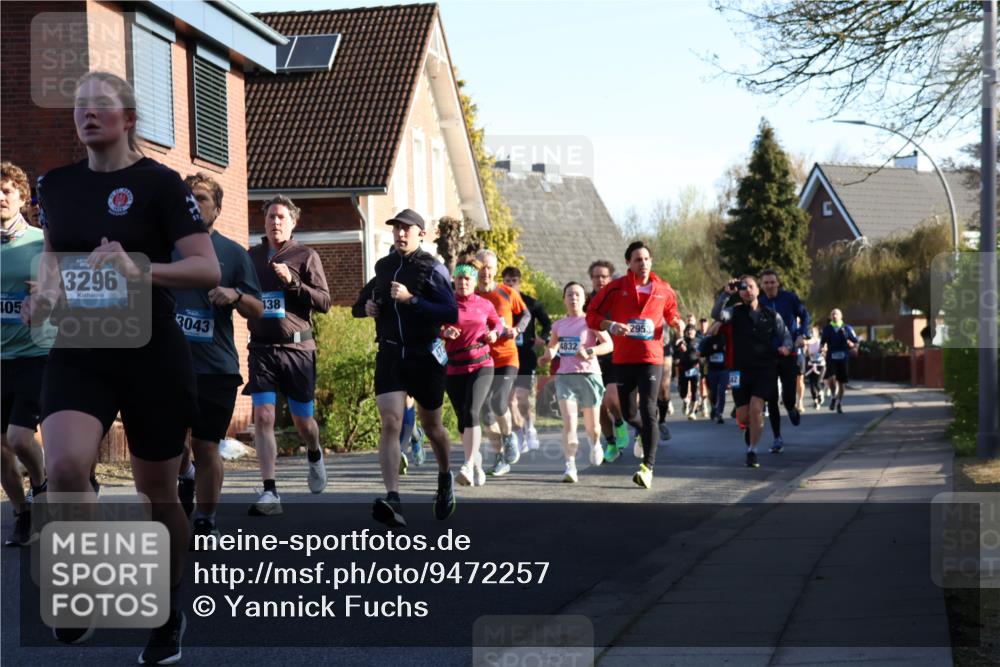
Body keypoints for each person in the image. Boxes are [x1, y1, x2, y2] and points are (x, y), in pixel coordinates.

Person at [25, 71, 221, 662]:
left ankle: (167, 607)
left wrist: (141, 269)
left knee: (157, 493)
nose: (86, 115)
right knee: (63, 464)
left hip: (150, 349)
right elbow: (55, 261)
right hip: (82, 342)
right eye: (78, 106)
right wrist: (42, 294)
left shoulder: (161, 186)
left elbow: (205, 269)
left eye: (100, 106)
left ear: (129, 118)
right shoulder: (55, 184)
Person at [353, 209, 459, 527]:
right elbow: (360, 305)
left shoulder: (432, 268)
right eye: (397, 229)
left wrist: (412, 300)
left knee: (433, 427)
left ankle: (444, 478)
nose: (400, 234)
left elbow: (450, 312)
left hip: (424, 355)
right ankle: (393, 498)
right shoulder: (384, 267)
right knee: (390, 421)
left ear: (420, 234)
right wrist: (368, 307)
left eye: (407, 229)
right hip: (390, 354)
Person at [172, 173, 263, 536]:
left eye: (201, 198)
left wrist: (236, 296)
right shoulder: (167, 247)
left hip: (217, 368)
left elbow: (258, 308)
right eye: (188, 198)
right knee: (173, 443)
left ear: (218, 208)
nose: (193, 204)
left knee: (206, 444)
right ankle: (186, 475)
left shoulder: (233, 253)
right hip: (171, 366)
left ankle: (206, 519)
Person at [244, 195, 331, 516]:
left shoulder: (305, 256)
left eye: (281, 217)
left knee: (303, 422)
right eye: (270, 217)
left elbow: (324, 302)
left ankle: (314, 451)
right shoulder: (250, 257)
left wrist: (293, 282)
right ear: (264, 222)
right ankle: (270, 491)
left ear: (293, 222)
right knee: (264, 418)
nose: (275, 222)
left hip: (298, 349)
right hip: (262, 348)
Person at [586, 241, 683, 489]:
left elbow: (672, 312)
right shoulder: (615, 289)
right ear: (628, 263)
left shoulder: (663, 288)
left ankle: (647, 467)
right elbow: (592, 315)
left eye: (647, 259)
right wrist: (611, 325)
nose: (644, 264)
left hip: (651, 358)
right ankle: (641, 431)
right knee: (630, 413)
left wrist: (676, 323)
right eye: (638, 260)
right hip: (624, 358)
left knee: (649, 409)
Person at [1, 161, 51, 547]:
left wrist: (48, 289)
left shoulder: (41, 241)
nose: (0, 198)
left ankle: (43, 486)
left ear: (22, 197)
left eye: (6, 191)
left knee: (19, 438)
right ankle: (21, 513)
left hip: (36, 352)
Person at [710, 275, 793, 468]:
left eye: (751, 286)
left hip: (765, 368)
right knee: (743, 416)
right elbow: (716, 315)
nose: (747, 290)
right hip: (739, 371)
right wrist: (725, 295)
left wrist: (786, 348)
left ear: (758, 290)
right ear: (739, 292)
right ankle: (750, 429)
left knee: (756, 407)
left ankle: (752, 451)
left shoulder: (772, 315)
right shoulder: (734, 312)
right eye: (743, 287)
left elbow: (786, 335)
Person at [540, 282, 613, 482]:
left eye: (578, 295)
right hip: (565, 377)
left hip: (589, 376)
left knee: (593, 426)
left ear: (584, 299)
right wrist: (547, 355)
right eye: (569, 295)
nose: (573, 298)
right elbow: (553, 347)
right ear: (564, 299)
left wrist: (590, 351)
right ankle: (570, 466)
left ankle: (595, 443)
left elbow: (609, 345)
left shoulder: (591, 321)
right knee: (570, 423)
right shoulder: (558, 325)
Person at [442, 259, 503, 488]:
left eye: (467, 278)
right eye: (459, 278)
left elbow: (497, 325)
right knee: (462, 420)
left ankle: (467, 464)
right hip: (454, 367)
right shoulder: (447, 304)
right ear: (454, 280)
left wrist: (495, 334)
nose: (463, 283)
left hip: (481, 364)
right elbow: (434, 328)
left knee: (471, 411)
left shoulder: (484, 304)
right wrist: (444, 331)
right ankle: (476, 461)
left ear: (474, 282)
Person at [475, 249, 530, 476]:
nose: (486, 272)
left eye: (490, 267)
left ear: (495, 270)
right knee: (485, 412)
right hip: (482, 358)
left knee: (498, 402)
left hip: (507, 356)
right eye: (481, 267)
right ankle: (500, 458)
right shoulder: (470, 295)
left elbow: (525, 315)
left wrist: (517, 329)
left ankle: (509, 438)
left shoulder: (507, 293)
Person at [758, 269, 810, 453]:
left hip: (789, 352)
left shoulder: (789, 298)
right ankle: (777, 437)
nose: (769, 285)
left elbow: (805, 315)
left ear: (778, 283)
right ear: (761, 285)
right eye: (766, 283)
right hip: (769, 354)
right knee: (771, 398)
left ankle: (791, 407)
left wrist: (802, 334)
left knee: (788, 395)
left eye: (772, 282)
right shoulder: (759, 303)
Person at [501, 266, 551, 453]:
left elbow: (547, 323)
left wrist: (543, 338)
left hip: (526, 355)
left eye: (514, 280)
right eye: (507, 280)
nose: (510, 284)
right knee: (509, 400)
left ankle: (530, 427)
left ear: (519, 282)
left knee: (521, 397)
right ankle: (519, 432)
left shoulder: (530, 303)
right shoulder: (500, 302)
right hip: (506, 355)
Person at [585, 260, 629, 462]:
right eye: (596, 276)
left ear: (610, 278)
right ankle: (610, 442)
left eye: (604, 276)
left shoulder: (618, 299)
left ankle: (620, 423)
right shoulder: (586, 302)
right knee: (600, 406)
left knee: (612, 399)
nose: (600, 280)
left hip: (616, 356)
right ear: (591, 279)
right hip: (593, 358)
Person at [820, 309, 858, 414]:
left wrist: (853, 347)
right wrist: (822, 348)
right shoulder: (827, 329)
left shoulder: (847, 328)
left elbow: (856, 342)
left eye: (836, 314)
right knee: (831, 377)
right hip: (831, 357)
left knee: (842, 382)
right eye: (832, 314)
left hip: (843, 357)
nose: (834, 316)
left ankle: (839, 402)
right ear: (830, 316)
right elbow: (822, 342)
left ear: (841, 316)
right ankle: (833, 396)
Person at [699, 325, 730, 424]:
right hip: (712, 370)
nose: (716, 330)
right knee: (713, 391)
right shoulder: (708, 340)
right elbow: (702, 353)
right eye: (714, 328)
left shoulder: (726, 338)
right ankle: (714, 407)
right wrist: (712, 350)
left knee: (722, 390)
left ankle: (719, 412)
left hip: (724, 370)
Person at [673, 326, 702, 420]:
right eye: (688, 330)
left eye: (692, 330)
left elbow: (704, 352)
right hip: (683, 369)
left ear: (695, 332)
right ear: (685, 332)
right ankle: (686, 402)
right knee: (683, 393)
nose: (690, 332)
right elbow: (675, 354)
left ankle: (692, 412)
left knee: (695, 392)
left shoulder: (699, 341)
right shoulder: (681, 342)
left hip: (695, 369)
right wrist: (677, 355)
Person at [803, 327, 827, 409]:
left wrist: (823, 350)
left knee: (818, 382)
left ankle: (821, 393)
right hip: (811, 365)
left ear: (816, 333)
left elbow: (825, 350)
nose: (811, 333)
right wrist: (805, 349)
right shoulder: (808, 343)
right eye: (810, 332)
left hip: (820, 365)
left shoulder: (820, 341)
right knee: (811, 385)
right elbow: (806, 353)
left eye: (812, 332)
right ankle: (816, 401)